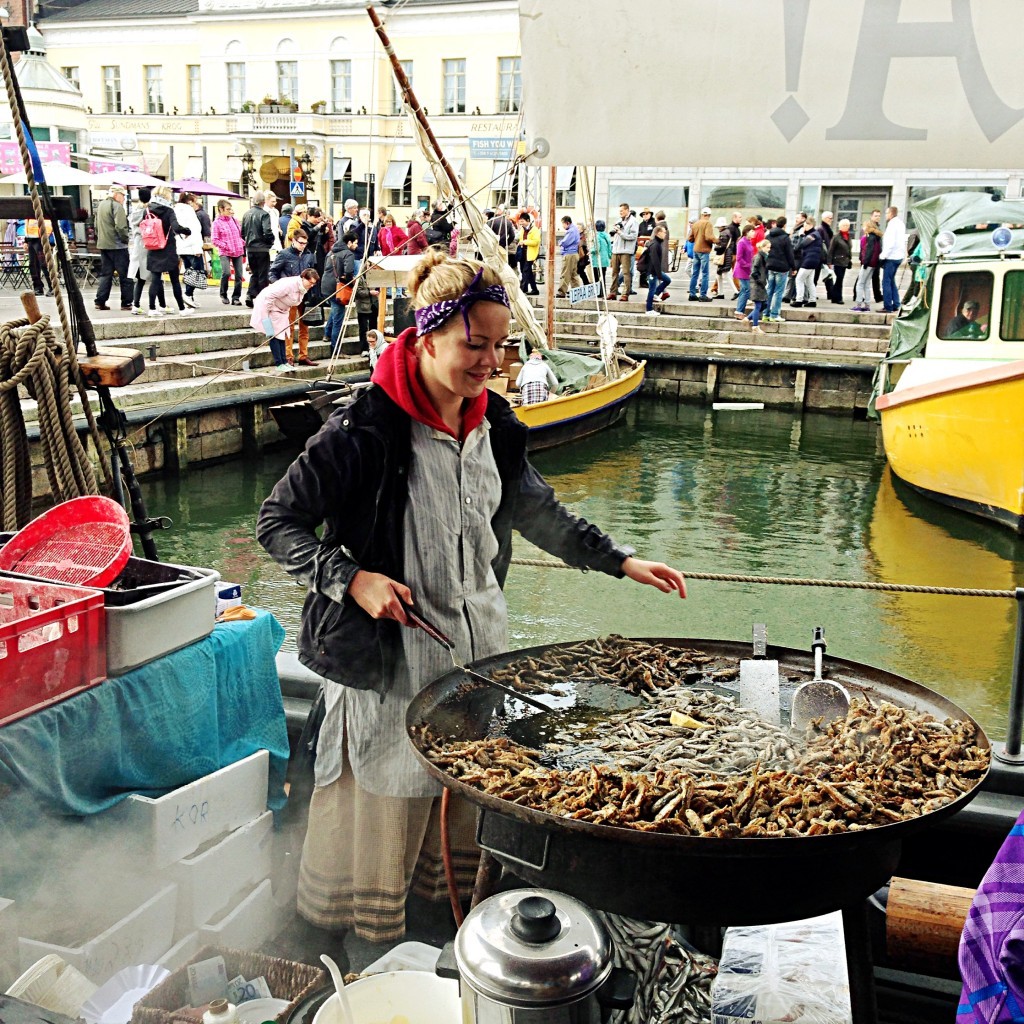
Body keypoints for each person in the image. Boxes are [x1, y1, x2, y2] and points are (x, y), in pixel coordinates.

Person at [256, 250, 686, 945]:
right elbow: (277, 523)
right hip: (387, 676)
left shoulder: (497, 428)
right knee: (386, 848)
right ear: (426, 339)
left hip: (474, 667)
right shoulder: (364, 428)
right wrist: (351, 579)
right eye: (474, 344)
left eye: (500, 344)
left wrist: (623, 561)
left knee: (456, 841)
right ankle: (372, 966)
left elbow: (542, 515)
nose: (491, 360)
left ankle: (440, 957)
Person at [250, 268, 320, 371]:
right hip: (270, 308)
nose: (312, 285)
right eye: (310, 282)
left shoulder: (303, 287)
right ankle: (279, 363)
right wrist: (267, 315)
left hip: (282, 310)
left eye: (313, 283)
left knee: (282, 334)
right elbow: (269, 296)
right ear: (304, 278)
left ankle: (284, 361)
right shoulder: (289, 284)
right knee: (274, 334)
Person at [269, 227, 318, 366]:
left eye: (305, 243)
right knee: (288, 326)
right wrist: (279, 286)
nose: (303, 246)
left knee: (305, 326)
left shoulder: (308, 254)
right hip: (288, 296)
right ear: (293, 240)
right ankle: (288, 356)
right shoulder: (284, 254)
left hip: (305, 294)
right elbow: (272, 272)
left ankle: (303, 355)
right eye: (301, 243)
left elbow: (313, 272)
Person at [145, 185, 192, 316]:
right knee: (174, 280)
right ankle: (182, 309)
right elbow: (176, 227)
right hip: (168, 248)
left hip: (153, 246)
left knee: (155, 279)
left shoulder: (148, 210)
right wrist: (187, 230)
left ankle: (152, 308)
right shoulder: (168, 210)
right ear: (166, 196)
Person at [95, 185, 132, 311]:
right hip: (117, 246)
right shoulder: (117, 206)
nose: (124, 199)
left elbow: (96, 226)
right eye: (123, 196)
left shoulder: (101, 206)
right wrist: (126, 239)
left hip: (103, 245)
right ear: (117, 195)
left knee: (106, 274)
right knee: (125, 274)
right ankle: (126, 302)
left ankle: (100, 301)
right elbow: (121, 227)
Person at [321, 230, 357, 356]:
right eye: (355, 243)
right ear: (349, 242)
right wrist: (351, 284)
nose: (356, 246)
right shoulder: (348, 254)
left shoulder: (331, 251)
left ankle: (327, 334)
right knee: (338, 319)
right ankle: (335, 350)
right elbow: (349, 272)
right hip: (338, 289)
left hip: (326, 286)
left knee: (335, 310)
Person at [241, 191, 275, 306]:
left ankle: (250, 294)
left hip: (250, 248)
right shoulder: (264, 214)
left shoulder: (246, 214)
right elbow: (267, 232)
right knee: (263, 274)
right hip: (262, 248)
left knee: (254, 273)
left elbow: (242, 233)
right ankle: (262, 298)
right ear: (263, 202)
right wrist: (270, 241)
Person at [173, 192, 205, 308]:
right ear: (190, 201)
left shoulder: (175, 210)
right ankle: (188, 294)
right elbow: (195, 230)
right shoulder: (189, 211)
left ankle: (189, 297)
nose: (196, 204)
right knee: (197, 271)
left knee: (188, 271)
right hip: (192, 246)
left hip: (181, 246)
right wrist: (197, 248)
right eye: (195, 201)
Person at [211, 198, 246, 305]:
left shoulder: (234, 220)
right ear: (221, 209)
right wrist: (225, 245)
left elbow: (240, 234)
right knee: (226, 273)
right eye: (228, 209)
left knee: (239, 275)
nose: (230, 211)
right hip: (225, 251)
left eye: (231, 209)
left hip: (237, 250)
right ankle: (223, 294)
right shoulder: (216, 223)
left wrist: (242, 242)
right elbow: (214, 240)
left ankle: (236, 297)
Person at [763, 215, 796, 323]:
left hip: (770, 266)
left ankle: (765, 314)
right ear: (784, 225)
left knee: (769, 290)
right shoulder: (785, 238)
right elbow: (789, 254)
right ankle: (774, 314)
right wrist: (793, 267)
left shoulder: (768, 236)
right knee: (778, 292)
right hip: (782, 268)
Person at [127, 186, 152, 314]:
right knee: (155, 276)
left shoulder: (134, 211)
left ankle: (135, 304)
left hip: (137, 244)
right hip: (148, 244)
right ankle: (161, 305)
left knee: (140, 278)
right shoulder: (148, 211)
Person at [607, 203, 638, 302]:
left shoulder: (633, 221)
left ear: (627, 210)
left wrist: (620, 232)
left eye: (622, 211)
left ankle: (625, 293)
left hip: (626, 251)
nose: (620, 213)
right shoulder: (619, 220)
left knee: (626, 273)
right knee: (614, 272)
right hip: (616, 250)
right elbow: (616, 235)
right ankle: (613, 292)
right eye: (619, 211)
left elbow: (633, 236)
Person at [880, 205, 907, 313]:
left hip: (891, 256)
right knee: (891, 281)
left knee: (886, 281)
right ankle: (896, 303)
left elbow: (890, 243)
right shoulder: (900, 223)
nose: (886, 215)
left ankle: (888, 306)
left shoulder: (892, 225)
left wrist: (883, 256)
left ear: (891, 214)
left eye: (887, 213)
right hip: (898, 256)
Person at [851, 217, 882, 312]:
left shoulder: (869, 237)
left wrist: (865, 262)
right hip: (874, 264)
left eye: (864, 226)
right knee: (867, 284)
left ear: (867, 227)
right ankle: (867, 305)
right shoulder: (877, 237)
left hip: (868, 263)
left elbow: (868, 251)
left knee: (860, 283)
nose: (863, 228)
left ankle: (859, 304)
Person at [687, 207, 716, 302]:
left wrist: (697, 238)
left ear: (702, 214)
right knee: (705, 274)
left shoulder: (696, 224)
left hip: (696, 250)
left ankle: (692, 294)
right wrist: (717, 241)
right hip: (704, 251)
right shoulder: (708, 223)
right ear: (709, 215)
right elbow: (708, 237)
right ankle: (703, 295)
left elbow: (690, 238)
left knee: (695, 273)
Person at [793, 215, 821, 308]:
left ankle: (799, 300)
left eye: (805, 225)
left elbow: (801, 245)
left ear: (810, 225)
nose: (804, 227)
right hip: (813, 260)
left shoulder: (813, 235)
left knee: (799, 279)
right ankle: (812, 300)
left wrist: (801, 235)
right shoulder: (814, 234)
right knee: (809, 281)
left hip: (809, 260)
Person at [643, 225, 671, 316]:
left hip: (654, 270)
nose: (665, 234)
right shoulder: (655, 244)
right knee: (651, 289)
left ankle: (656, 294)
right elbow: (655, 260)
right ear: (658, 233)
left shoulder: (657, 243)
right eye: (664, 232)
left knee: (667, 280)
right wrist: (658, 274)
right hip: (652, 271)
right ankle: (649, 309)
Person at [744, 238, 771, 334]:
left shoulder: (763, 257)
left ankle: (748, 318)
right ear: (762, 247)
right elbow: (754, 271)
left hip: (760, 284)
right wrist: (760, 281)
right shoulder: (759, 257)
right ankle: (755, 326)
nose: (769, 249)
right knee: (758, 305)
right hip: (757, 284)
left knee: (765, 304)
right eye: (767, 247)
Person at [732, 223, 756, 319]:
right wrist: (748, 265)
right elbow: (739, 258)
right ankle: (739, 311)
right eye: (752, 231)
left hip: (747, 270)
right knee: (745, 290)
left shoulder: (748, 241)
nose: (754, 233)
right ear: (747, 232)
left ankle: (740, 310)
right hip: (742, 270)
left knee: (745, 290)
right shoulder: (742, 242)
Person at [556, 215, 582, 298]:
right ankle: (576, 291)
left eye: (563, 224)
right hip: (574, 253)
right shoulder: (575, 229)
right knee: (573, 274)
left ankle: (562, 292)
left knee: (565, 273)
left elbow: (565, 242)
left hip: (569, 254)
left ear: (567, 223)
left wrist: (560, 242)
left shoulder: (571, 231)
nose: (563, 226)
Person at [828, 218, 852, 305]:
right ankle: (838, 297)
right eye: (844, 225)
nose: (846, 227)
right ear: (840, 226)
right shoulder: (836, 237)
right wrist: (829, 262)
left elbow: (849, 249)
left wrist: (850, 259)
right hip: (837, 261)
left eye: (847, 225)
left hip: (845, 262)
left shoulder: (848, 236)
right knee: (839, 279)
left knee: (840, 279)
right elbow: (831, 250)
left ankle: (834, 296)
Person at [709, 216, 734, 300]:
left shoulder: (723, 233)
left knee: (725, 274)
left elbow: (722, 246)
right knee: (719, 275)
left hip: (724, 256)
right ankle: (720, 293)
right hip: (727, 255)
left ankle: (736, 291)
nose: (718, 228)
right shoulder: (728, 232)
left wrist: (715, 247)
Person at [518, 214, 541, 295]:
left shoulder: (535, 230)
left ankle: (522, 290)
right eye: (520, 222)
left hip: (531, 254)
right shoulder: (522, 230)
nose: (521, 224)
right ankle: (535, 289)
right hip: (523, 253)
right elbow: (520, 238)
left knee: (525, 271)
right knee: (527, 272)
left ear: (528, 221)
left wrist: (524, 242)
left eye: (522, 222)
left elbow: (536, 242)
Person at [591, 219, 611, 295]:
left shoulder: (597, 236)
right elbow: (609, 248)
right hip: (605, 260)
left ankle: (598, 292)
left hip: (597, 260)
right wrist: (609, 256)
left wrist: (591, 250)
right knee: (603, 276)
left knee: (596, 277)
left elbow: (596, 248)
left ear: (596, 227)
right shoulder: (607, 236)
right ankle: (603, 291)